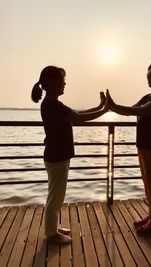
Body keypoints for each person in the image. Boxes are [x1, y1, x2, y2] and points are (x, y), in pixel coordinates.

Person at [31, 65, 109, 244]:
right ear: (51, 83)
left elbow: (77, 114)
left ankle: (53, 227)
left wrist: (99, 106)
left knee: (57, 194)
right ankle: (51, 234)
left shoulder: (54, 104)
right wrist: (104, 110)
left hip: (58, 155)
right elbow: (79, 118)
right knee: (56, 195)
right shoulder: (52, 105)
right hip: (56, 155)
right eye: (61, 80)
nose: (64, 83)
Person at [106, 61, 151, 236]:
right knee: (148, 183)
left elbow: (142, 112)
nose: (147, 77)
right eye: (147, 74)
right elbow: (130, 110)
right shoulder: (146, 96)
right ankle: (150, 216)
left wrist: (114, 106)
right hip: (143, 147)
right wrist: (112, 106)